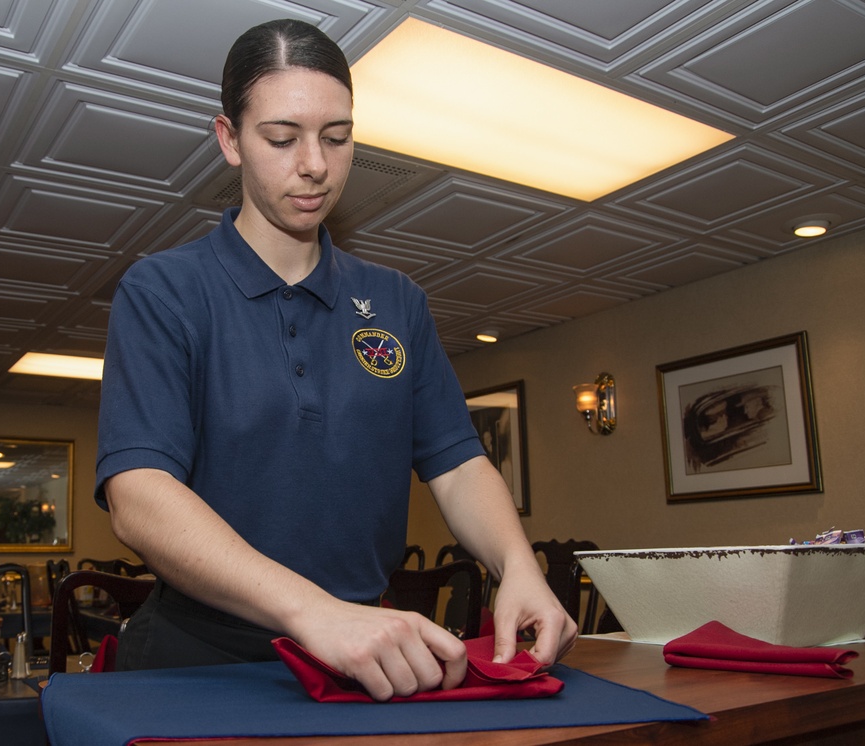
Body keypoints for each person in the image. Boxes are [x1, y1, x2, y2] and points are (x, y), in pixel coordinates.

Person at [95, 18, 575, 701]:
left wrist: (518, 566)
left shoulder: (396, 301)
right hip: (199, 656)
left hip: (367, 655)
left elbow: (459, 463)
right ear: (230, 141)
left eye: (338, 138)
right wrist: (312, 613)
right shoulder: (164, 290)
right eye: (282, 139)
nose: (315, 164)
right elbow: (138, 497)